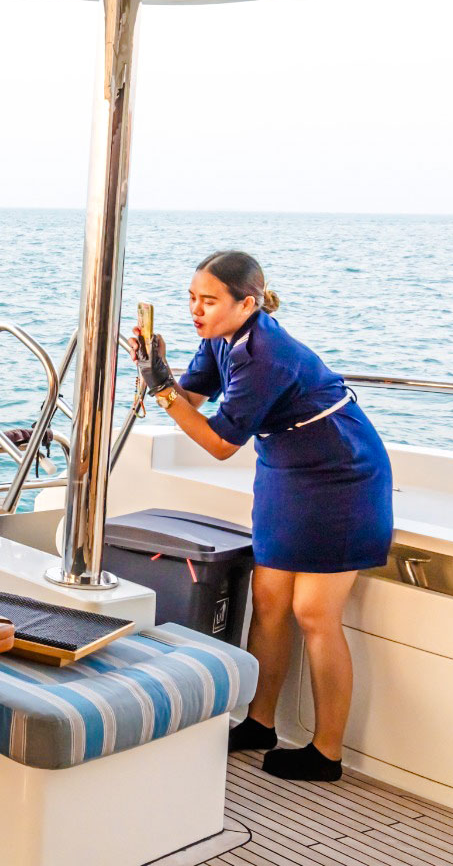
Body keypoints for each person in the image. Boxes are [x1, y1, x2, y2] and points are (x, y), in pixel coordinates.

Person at [132, 250, 392, 783]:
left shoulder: (264, 355)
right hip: (286, 467)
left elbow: (220, 442)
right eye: (191, 299)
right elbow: (194, 397)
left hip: (340, 474)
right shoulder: (220, 339)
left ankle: (327, 753)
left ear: (246, 302)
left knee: (314, 613)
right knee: (270, 599)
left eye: (208, 300)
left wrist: (161, 392)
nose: (196, 310)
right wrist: (155, 377)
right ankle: (260, 722)